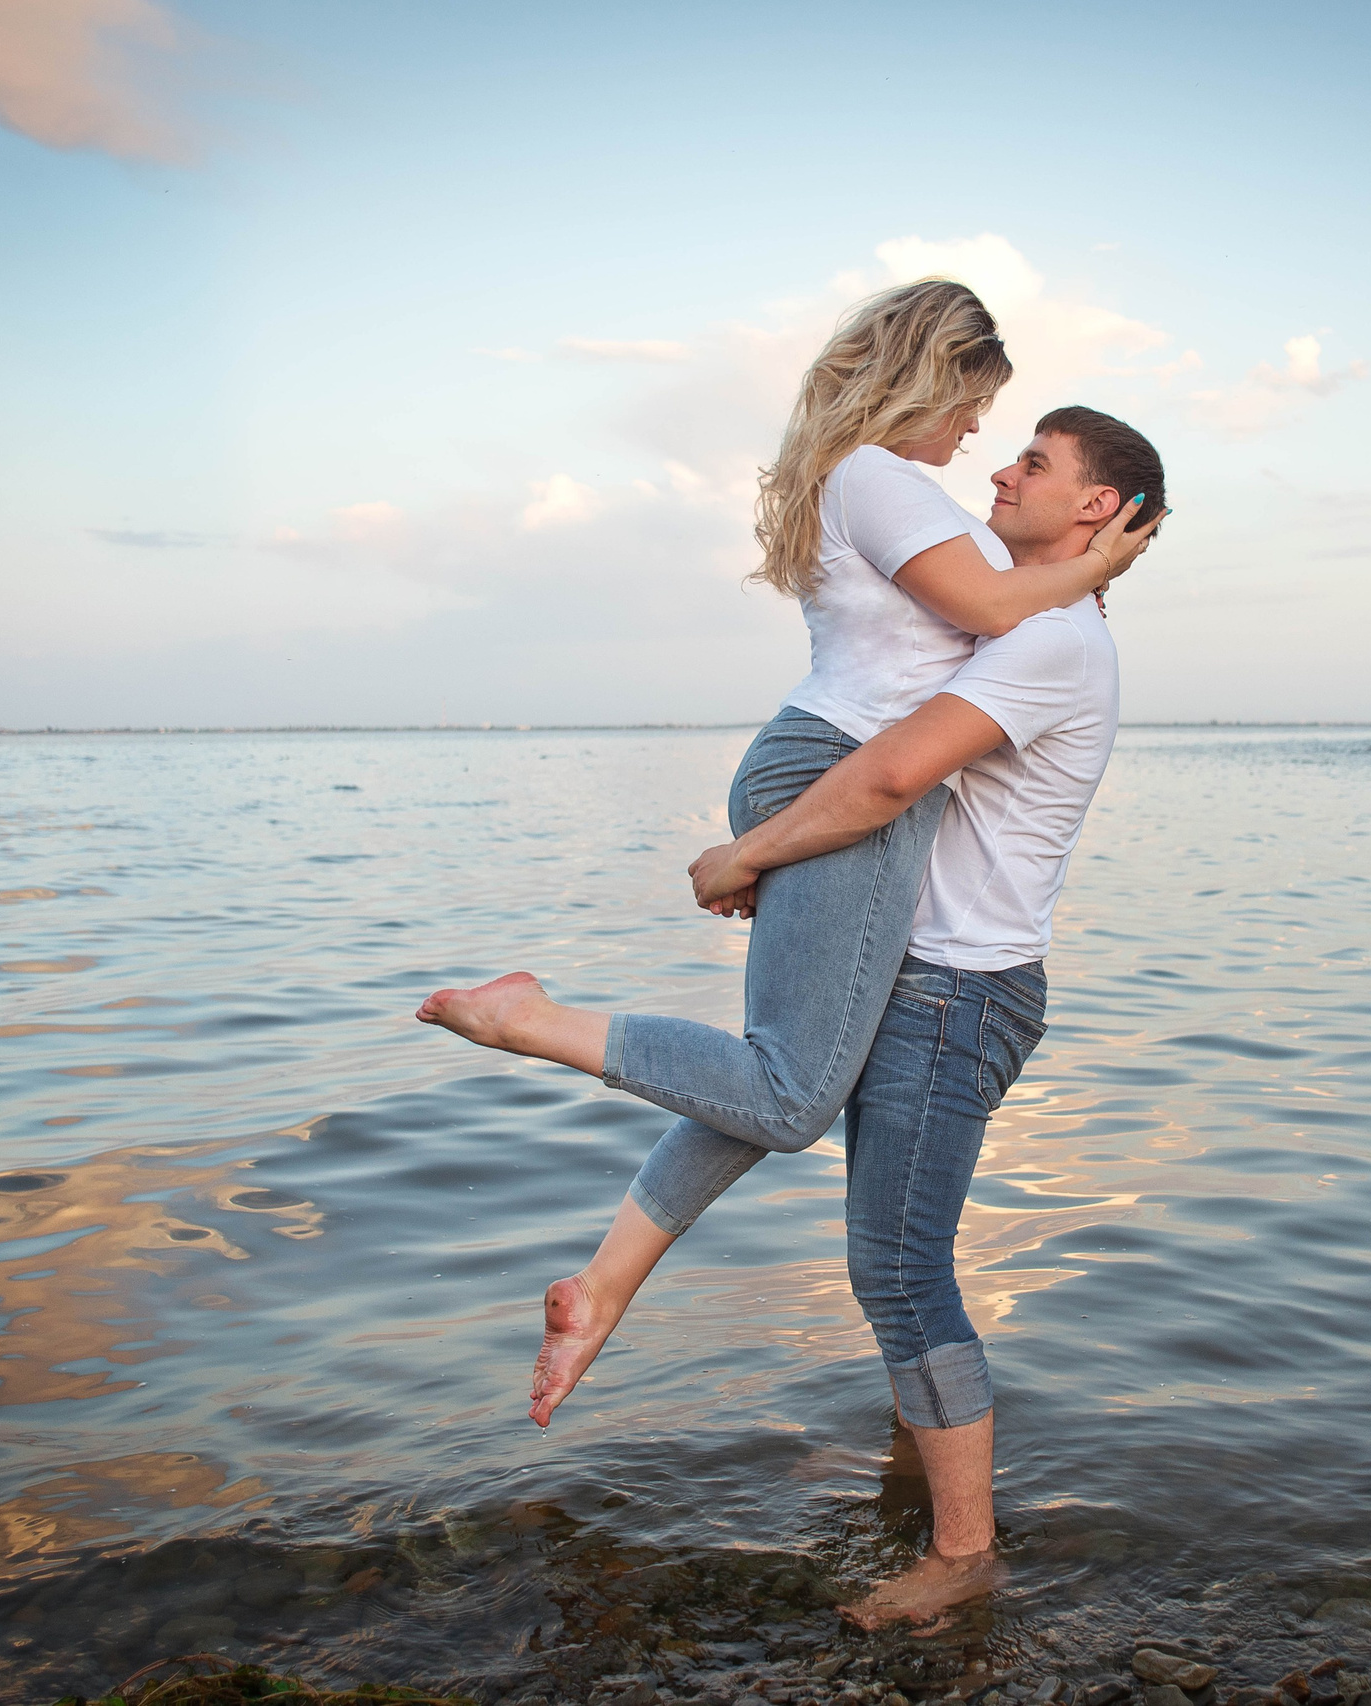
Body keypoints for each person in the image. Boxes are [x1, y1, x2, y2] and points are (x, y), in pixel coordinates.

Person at [451, 404, 1165, 1629]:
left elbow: (889, 773)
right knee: (770, 1096)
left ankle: (962, 1552)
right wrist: (795, 872)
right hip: (909, 963)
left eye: (1035, 462)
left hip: (956, 991)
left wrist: (747, 852)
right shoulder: (1025, 624)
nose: (1002, 466)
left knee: (894, 1261)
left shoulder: (1050, 645)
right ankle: (910, 1459)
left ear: (1097, 508)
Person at [415, 283, 1152, 1382]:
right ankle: (533, 1019)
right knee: (792, 1089)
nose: (978, 439)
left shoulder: (871, 482)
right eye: (974, 404)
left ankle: (602, 1285)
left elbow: (999, 615)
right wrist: (1101, 567)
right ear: (929, 374)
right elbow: (994, 614)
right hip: (845, 769)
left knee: (781, 1074)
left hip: (822, 763)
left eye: (1015, 443)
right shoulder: (878, 477)